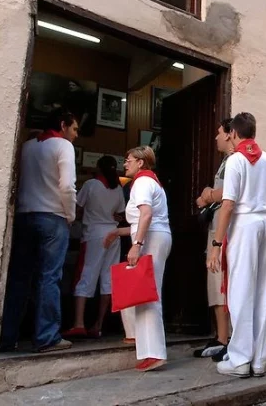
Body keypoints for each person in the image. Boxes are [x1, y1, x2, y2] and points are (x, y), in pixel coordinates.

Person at [207, 113, 266, 378]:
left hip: (247, 224)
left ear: (234, 134)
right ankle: (258, 360)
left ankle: (239, 359)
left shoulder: (236, 160)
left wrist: (216, 244)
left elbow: (228, 204)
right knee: (264, 291)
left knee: (241, 291)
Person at [0, 108, 79, 353]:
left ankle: (7, 336)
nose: (76, 135)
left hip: (24, 216)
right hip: (53, 217)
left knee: (19, 278)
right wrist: (71, 214)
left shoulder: (27, 146)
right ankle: (47, 337)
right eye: (75, 128)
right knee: (49, 277)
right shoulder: (63, 146)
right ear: (64, 124)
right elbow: (67, 185)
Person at [105, 146, 172, 372]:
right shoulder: (151, 182)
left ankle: (155, 353)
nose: (126, 164)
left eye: (129, 160)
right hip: (155, 236)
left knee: (149, 295)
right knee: (145, 295)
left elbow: (146, 215)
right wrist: (120, 233)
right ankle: (148, 351)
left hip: (151, 239)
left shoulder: (142, 182)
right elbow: (142, 220)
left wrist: (136, 244)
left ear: (141, 163)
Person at [63, 156, 126, 339]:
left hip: (94, 233)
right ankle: (98, 324)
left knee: (86, 275)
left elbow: (78, 207)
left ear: (98, 167)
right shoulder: (117, 188)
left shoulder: (91, 185)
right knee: (108, 279)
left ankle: (79, 323)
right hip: (113, 233)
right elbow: (118, 213)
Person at [193, 119, 234, 360]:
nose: (216, 137)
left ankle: (228, 338)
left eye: (219, 133)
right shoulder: (226, 162)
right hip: (217, 226)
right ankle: (221, 337)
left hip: (224, 230)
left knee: (222, 282)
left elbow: (229, 192)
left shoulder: (236, 161)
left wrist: (209, 196)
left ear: (230, 134)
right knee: (215, 283)